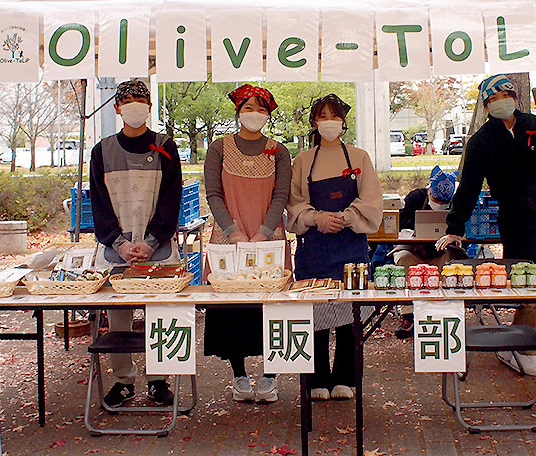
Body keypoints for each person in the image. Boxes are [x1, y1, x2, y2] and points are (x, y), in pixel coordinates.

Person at [436, 74, 536, 376]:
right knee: (525, 280)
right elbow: (468, 186)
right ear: (485, 106)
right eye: (491, 99)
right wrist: (456, 226)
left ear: (515, 97)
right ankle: (519, 346)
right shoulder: (481, 141)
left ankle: (531, 341)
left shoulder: (533, 125)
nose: (499, 103)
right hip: (515, 215)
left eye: (503, 96)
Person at [90, 79, 182, 408]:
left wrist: (152, 241)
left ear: (149, 108)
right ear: (117, 108)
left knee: (161, 312)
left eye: (139, 100)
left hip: (158, 246)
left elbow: (172, 199)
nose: (133, 106)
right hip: (118, 249)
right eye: (126, 101)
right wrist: (119, 243)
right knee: (118, 314)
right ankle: (123, 380)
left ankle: (159, 380)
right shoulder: (101, 151)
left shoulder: (165, 146)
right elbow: (98, 203)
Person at [288, 94, 382, 400]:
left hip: (350, 244)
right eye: (322, 116)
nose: (329, 121)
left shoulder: (359, 157)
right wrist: (316, 218)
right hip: (313, 248)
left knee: (349, 315)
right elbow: (293, 204)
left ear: (343, 121)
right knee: (314, 315)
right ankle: (315, 380)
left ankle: (347, 378)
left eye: (334, 115)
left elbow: (371, 199)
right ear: (315, 123)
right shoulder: (302, 160)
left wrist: (346, 217)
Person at [203, 84, 292, 403]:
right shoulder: (220, 148)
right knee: (232, 307)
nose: (254, 114)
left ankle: (270, 375)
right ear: (238, 111)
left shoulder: (279, 151)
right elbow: (213, 192)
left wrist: (265, 231)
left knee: (274, 306)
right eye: (248, 108)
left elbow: (281, 194)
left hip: (269, 239)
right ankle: (238, 375)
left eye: (261, 109)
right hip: (229, 239)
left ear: (268, 115)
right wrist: (233, 230)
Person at [392, 166, 458, 339]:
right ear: (430, 191)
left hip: (441, 249)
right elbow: (400, 221)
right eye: (436, 199)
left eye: (443, 203)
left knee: (450, 263)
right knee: (403, 259)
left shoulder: (457, 202)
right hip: (412, 247)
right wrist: (417, 226)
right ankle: (408, 314)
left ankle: (442, 310)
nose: (439, 204)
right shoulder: (415, 197)